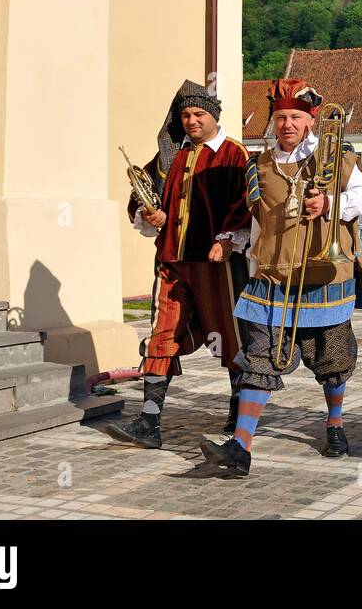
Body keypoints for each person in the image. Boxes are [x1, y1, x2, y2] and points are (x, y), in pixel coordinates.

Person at [198, 80, 362, 476]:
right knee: (260, 358)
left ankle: (334, 425)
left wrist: (330, 203)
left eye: (295, 117)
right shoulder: (258, 164)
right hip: (272, 274)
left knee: (332, 357)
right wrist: (230, 239)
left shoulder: (337, 156)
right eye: (280, 118)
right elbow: (252, 217)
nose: (287, 124)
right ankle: (241, 448)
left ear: (310, 120)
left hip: (324, 273)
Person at [106, 80, 250, 451]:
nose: (191, 121)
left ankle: (239, 405)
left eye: (199, 114)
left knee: (229, 333)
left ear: (214, 116)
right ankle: (149, 421)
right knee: (161, 335)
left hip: (216, 264)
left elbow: (246, 203)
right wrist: (147, 212)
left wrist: (227, 238)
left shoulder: (234, 154)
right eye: (185, 115)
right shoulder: (170, 156)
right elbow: (142, 194)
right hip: (171, 261)